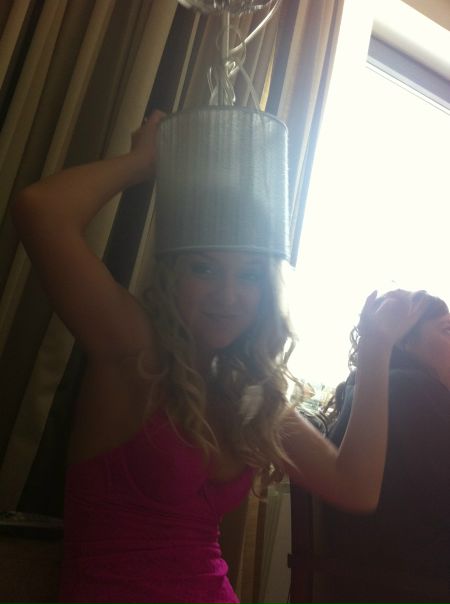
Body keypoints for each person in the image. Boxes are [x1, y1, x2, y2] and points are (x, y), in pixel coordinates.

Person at [12, 109, 429, 604]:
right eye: (205, 269)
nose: (228, 296)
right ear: (173, 275)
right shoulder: (133, 348)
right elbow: (41, 211)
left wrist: (377, 347)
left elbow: (355, 487)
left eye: (249, 275)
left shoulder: (247, 393)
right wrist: (142, 162)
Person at [323, 291, 450, 603]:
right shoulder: (412, 390)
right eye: (447, 330)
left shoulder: (375, 388)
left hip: (369, 577)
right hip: (410, 581)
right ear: (403, 340)